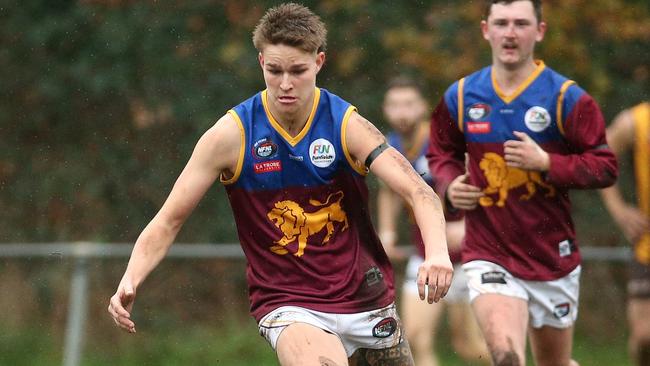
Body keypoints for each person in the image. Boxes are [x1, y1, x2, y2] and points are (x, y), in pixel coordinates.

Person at [107, 3, 454, 366]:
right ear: (261, 63)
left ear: (319, 62)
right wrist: (131, 277)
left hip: (365, 299)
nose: (285, 84)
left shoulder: (346, 124)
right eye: (274, 70)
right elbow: (168, 220)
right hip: (290, 304)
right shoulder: (232, 135)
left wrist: (437, 253)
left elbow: (419, 191)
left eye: (298, 71)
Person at [426, 1, 618, 365]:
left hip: (550, 255)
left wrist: (547, 162)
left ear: (539, 31)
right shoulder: (463, 96)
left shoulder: (566, 98)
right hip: (489, 250)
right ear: (486, 30)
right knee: (506, 357)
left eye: (520, 23)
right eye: (501, 23)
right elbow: (440, 153)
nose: (510, 33)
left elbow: (605, 167)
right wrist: (450, 186)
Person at [377, 76, 488, 366]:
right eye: (395, 105)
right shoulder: (391, 145)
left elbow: (487, 183)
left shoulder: (444, 142)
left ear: (423, 107)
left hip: (470, 256)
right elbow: (389, 191)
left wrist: (468, 225)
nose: (402, 112)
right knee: (414, 338)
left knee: (470, 346)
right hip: (426, 256)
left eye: (409, 104)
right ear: (386, 109)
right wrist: (387, 233)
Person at [600, 101, 650, 366]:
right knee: (644, 337)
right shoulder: (637, 121)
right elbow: (601, 153)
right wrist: (619, 210)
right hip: (647, 246)